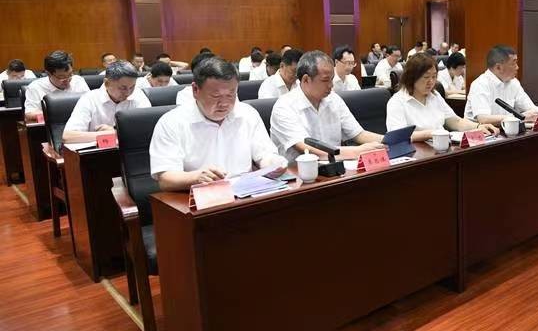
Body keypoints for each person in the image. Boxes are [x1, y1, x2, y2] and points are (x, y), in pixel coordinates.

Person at [150, 56, 287, 192]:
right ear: (195, 90)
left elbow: (264, 155)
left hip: (246, 194)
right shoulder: (171, 122)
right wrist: (195, 177)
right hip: (200, 197)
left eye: (231, 95)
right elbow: (165, 179)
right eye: (216, 96)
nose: (224, 104)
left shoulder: (248, 114)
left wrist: (273, 164)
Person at [269, 51, 385, 163]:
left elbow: (358, 134)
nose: (331, 85)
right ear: (306, 79)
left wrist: (386, 140)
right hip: (299, 172)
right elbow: (309, 150)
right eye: (325, 80)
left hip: (335, 167)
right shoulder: (284, 107)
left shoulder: (334, 99)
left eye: (332, 79)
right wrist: (358, 151)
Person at [387, 54, 497, 142]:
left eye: (434, 76)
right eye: (426, 77)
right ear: (411, 78)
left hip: (441, 148)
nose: (431, 82)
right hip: (417, 153)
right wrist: (432, 134)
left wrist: (478, 126)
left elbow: (455, 121)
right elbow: (398, 137)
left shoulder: (435, 96)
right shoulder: (397, 102)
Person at [62, 61, 151, 144]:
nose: (128, 93)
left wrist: (116, 132)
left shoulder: (138, 95)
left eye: (132, 87)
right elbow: (68, 136)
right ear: (107, 83)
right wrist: (112, 134)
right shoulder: (89, 99)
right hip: (99, 153)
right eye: (123, 88)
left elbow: (149, 130)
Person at [465, 45, 538, 126]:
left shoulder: (513, 82)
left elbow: (530, 108)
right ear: (498, 67)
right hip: (481, 132)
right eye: (513, 63)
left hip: (505, 130)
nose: (517, 67)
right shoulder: (480, 84)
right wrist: (518, 117)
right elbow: (483, 119)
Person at [24, 51, 90, 121]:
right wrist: (59, 113)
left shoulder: (78, 81)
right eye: (62, 77)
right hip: (52, 124)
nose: (67, 80)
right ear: (48, 74)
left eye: (70, 74)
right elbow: (29, 114)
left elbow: (90, 104)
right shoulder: (35, 87)